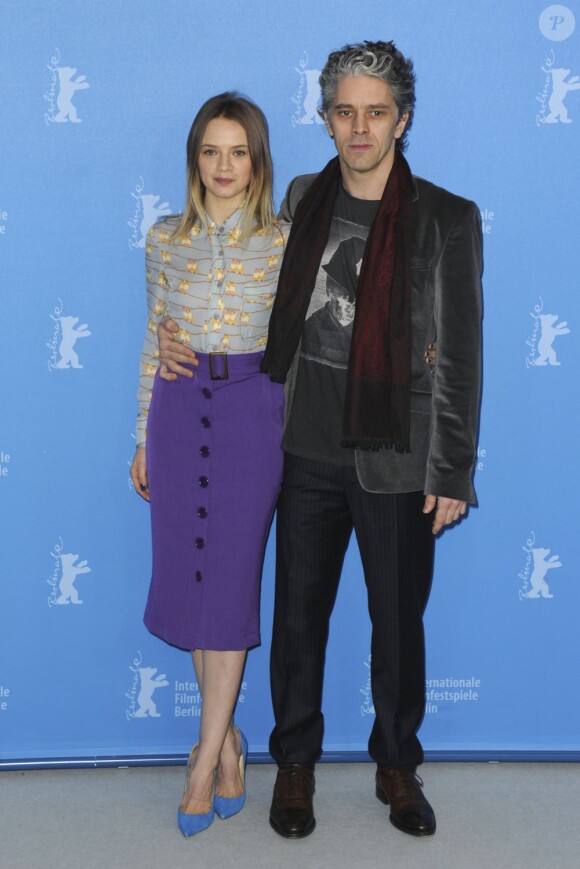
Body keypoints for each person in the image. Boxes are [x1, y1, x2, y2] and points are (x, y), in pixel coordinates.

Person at [157, 38, 481, 841]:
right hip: (299, 445)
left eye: (376, 112)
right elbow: (226, 286)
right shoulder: (300, 198)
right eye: (345, 111)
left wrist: (452, 466)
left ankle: (397, 763)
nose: (360, 126)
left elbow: (461, 354)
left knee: (397, 622)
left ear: (401, 120)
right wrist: (174, 339)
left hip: (398, 456)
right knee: (298, 618)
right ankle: (293, 763)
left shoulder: (446, 217)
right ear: (327, 119)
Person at [130, 92, 288, 838]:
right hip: (176, 407)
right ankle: (228, 746)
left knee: (228, 581)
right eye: (209, 151)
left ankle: (200, 759)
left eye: (238, 152)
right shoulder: (164, 238)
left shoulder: (287, 242)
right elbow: (151, 339)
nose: (223, 167)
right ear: (194, 158)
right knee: (195, 581)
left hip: (253, 413)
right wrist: (139, 436)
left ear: (256, 161)